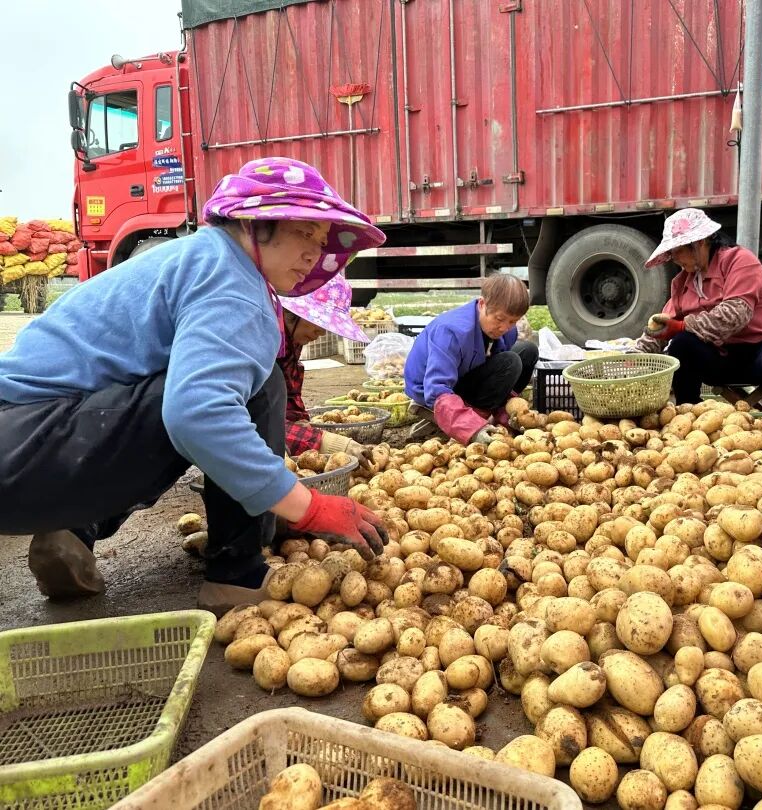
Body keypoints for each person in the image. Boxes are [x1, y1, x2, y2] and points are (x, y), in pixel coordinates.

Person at [0, 157, 390, 613]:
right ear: (253, 222)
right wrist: (310, 507)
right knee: (249, 387)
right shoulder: (231, 282)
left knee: (209, 388)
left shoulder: (202, 258)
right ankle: (237, 573)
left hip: (30, 444)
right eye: (305, 232)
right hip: (27, 449)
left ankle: (75, 525)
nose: (313, 253)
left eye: (321, 242)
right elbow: (197, 415)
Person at [633, 208, 762, 426]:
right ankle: (690, 420)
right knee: (682, 345)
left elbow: (735, 314)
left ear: (700, 243)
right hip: (720, 359)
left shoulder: (740, 261)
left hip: (761, 355)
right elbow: (660, 326)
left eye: (678, 250)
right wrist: (634, 357)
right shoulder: (683, 282)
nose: (675, 258)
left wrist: (680, 326)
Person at [404, 273, 538, 445]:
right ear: (482, 304)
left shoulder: (507, 330)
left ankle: (502, 416)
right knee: (510, 363)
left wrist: (512, 413)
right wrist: (472, 429)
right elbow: (436, 389)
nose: (504, 327)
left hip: (465, 376)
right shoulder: (451, 332)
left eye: (512, 321)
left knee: (527, 351)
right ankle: (476, 417)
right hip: (432, 389)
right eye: (499, 319)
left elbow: (499, 366)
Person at [278, 272, 375, 463]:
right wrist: (324, 442)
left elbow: (289, 397)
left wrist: (300, 422)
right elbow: (254, 425)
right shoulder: (261, 347)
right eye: (319, 321)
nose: (321, 332)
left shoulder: (291, 343)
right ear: (292, 314)